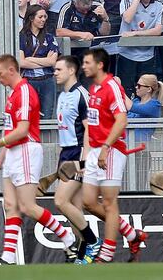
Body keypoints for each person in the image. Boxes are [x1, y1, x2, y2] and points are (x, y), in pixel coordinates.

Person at [0, 54, 77, 265]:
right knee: (10, 205)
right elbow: (9, 129)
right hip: (12, 153)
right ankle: (8, 258)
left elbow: (22, 131)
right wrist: (0, 160)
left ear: (12, 70)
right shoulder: (12, 95)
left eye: (0, 74)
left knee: (28, 206)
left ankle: (67, 236)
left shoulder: (26, 91)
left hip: (26, 150)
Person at [80, 48, 148, 263]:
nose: (84, 66)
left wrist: (106, 147)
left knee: (109, 203)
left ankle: (107, 253)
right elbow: (92, 124)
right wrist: (88, 154)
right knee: (89, 202)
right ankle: (130, 233)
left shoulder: (111, 87)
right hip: (95, 151)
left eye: (88, 62)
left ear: (99, 65)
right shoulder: (94, 88)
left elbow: (122, 120)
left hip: (110, 150)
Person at [51, 55, 98, 263]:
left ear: (71, 71)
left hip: (78, 153)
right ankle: (81, 254)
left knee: (60, 201)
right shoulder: (62, 96)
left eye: (58, 69)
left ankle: (92, 241)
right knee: (74, 207)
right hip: (66, 152)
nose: (55, 73)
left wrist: (84, 160)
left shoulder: (82, 94)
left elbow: (90, 129)